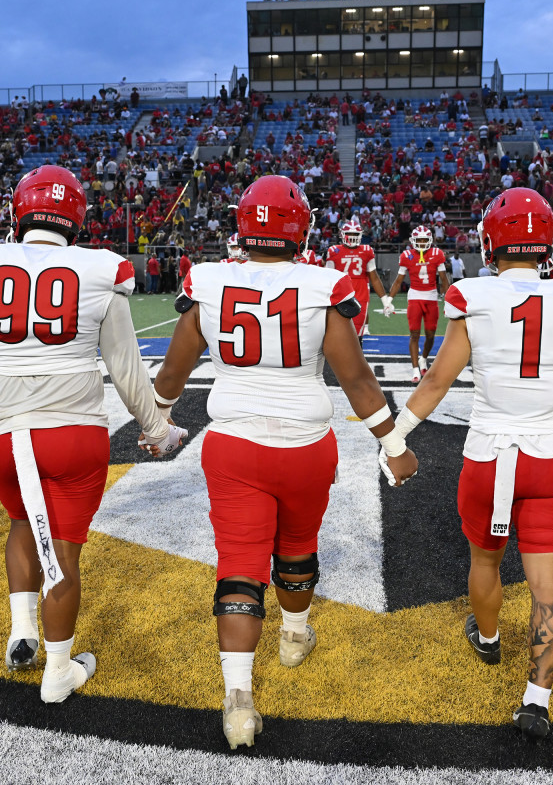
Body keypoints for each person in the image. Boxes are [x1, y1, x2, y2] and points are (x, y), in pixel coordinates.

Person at [152, 175, 418, 749]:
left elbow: (172, 372)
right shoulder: (324, 284)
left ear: (242, 226)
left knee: (239, 565)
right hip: (303, 441)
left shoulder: (210, 280)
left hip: (233, 445)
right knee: (297, 546)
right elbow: (356, 379)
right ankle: (294, 635)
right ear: (303, 229)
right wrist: (394, 446)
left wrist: (158, 421)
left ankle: (238, 702)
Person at [0, 166, 186, 704]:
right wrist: (155, 428)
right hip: (72, 432)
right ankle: (58, 673)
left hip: (0, 433)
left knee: (25, 521)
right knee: (63, 557)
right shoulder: (99, 269)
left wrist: (2, 348)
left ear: (16, 212)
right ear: (78, 218)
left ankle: (22, 631)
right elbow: (124, 366)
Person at [395, 189, 553, 740]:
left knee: (486, 563)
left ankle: (488, 641)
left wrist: (395, 435)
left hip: (490, 457)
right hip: (548, 457)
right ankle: (537, 699)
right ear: (546, 244)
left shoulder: (472, 295)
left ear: (491, 240)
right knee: (547, 587)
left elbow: (437, 380)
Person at [388, 225, 449, 382]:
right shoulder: (407, 255)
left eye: (424, 240)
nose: (421, 243)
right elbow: (398, 280)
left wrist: (448, 299)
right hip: (415, 296)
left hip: (431, 297)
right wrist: (389, 299)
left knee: (430, 335)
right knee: (414, 334)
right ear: (413, 241)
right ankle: (415, 368)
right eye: (419, 240)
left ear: (430, 240)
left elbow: (443, 279)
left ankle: (424, 358)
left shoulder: (437, 254)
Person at [324, 220, 393, 339]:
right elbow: (327, 279)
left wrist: (385, 301)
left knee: (357, 336)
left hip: (360, 293)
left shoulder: (367, 250)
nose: (352, 237)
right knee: (337, 334)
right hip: (339, 294)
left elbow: (374, 278)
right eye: (349, 234)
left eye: (355, 234)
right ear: (342, 234)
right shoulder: (334, 251)